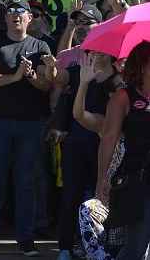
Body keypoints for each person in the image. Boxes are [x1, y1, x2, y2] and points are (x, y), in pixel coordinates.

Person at [0, 0, 53, 257]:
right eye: (11, 11)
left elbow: (46, 84)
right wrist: (16, 76)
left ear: (30, 18)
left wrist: (30, 76)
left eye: (22, 12)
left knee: (26, 183)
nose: (16, 15)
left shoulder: (40, 45)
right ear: (5, 17)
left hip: (31, 123)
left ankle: (26, 241)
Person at [50, 51, 122, 260]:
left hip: (110, 146)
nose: (95, 54)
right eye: (92, 51)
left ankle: (99, 246)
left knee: (104, 198)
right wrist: (83, 82)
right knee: (71, 195)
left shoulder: (118, 78)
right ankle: (65, 246)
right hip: (77, 142)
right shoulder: (78, 71)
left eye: (101, 51)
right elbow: (74, 111)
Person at [96, 42, 150, 260]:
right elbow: (108, 139)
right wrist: (102, 179)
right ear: (142, 65)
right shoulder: (123, 97)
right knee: (136, 246)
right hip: (137, 179)